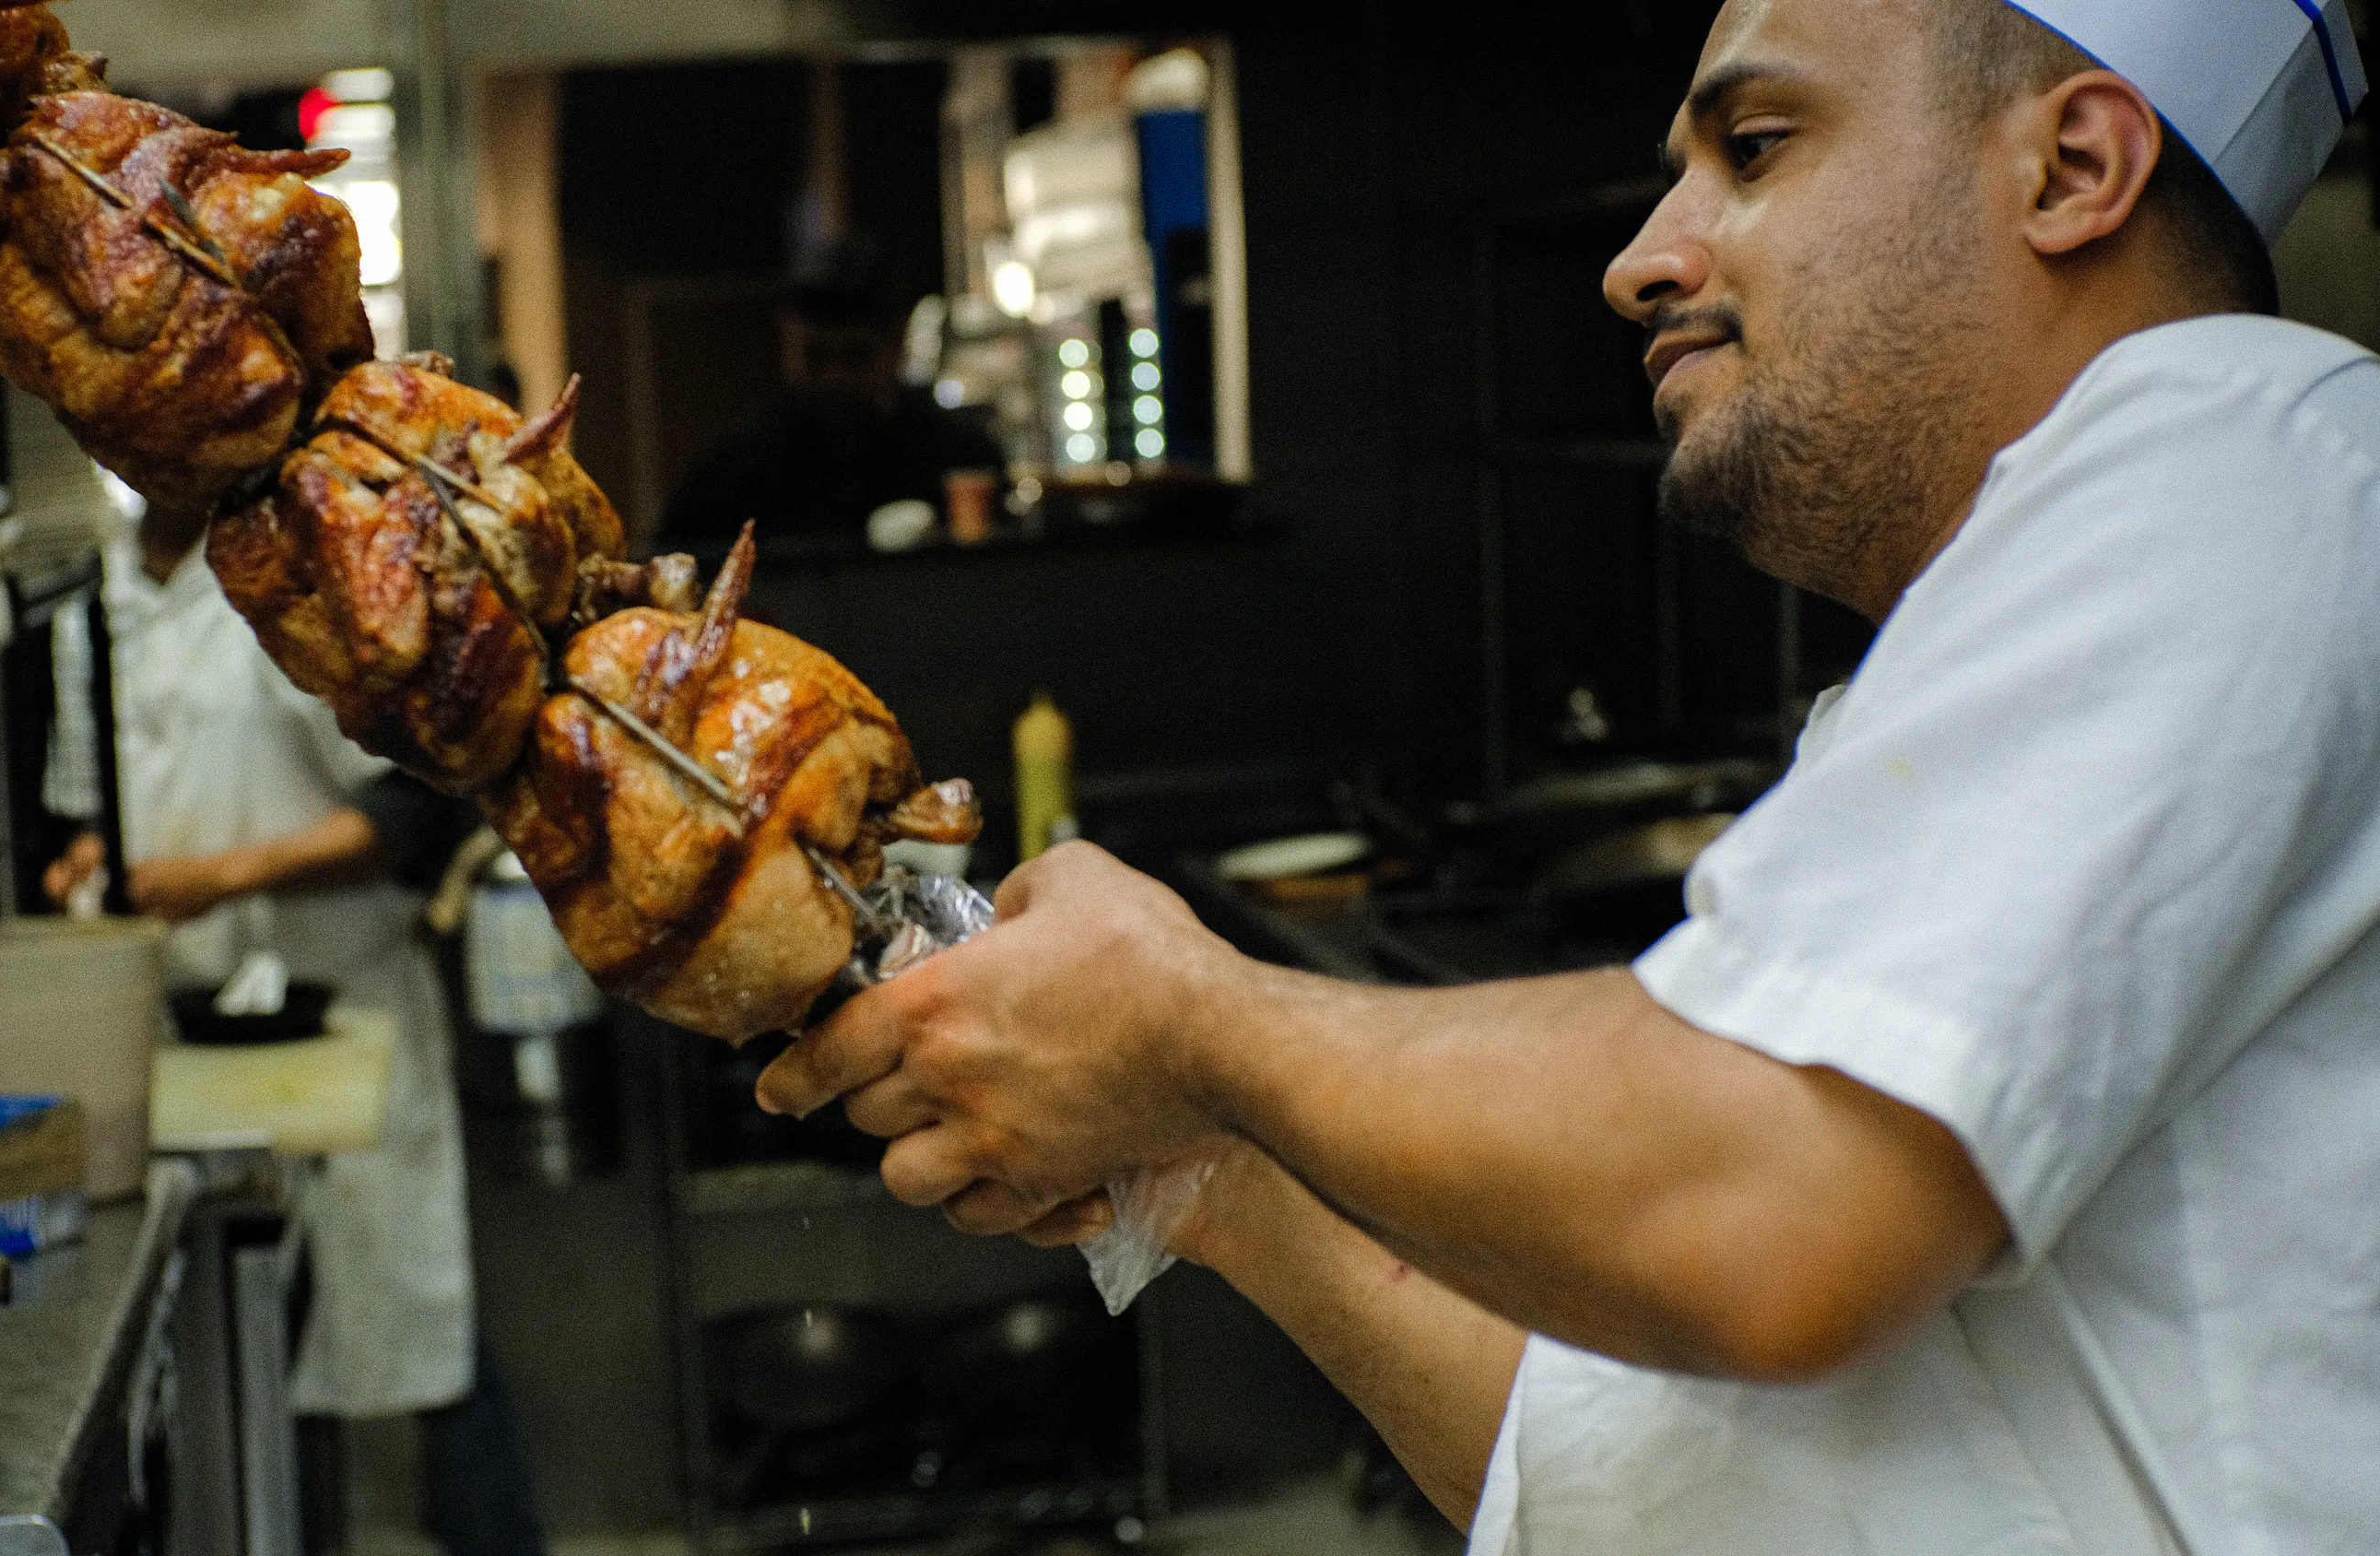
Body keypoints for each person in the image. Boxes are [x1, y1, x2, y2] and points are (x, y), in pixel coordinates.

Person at [754, 1, 2380, 1550]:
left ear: (2073, 167)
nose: (1636, 262)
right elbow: (1624, 1478)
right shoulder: (1958, 677)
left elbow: (1773, 1206)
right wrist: (1203, 1169)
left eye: (1754, 145)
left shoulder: (2248, 447)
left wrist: (1190, 1018)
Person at [43, 497, 548, 1556]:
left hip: (346, 1015)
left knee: (421, 1325)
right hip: (181, 1044)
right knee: (254, 1367)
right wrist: (92, 861)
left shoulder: (298, 582)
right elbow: (86, 804)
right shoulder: (86, 605)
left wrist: (228, 874)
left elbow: (418, 811)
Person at [660, 236, 1004, 546]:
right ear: (787, 343)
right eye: (816, 356)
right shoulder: (731, 472)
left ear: (897, 342)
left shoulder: (962, 459)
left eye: (857, 356)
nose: (834, 378)